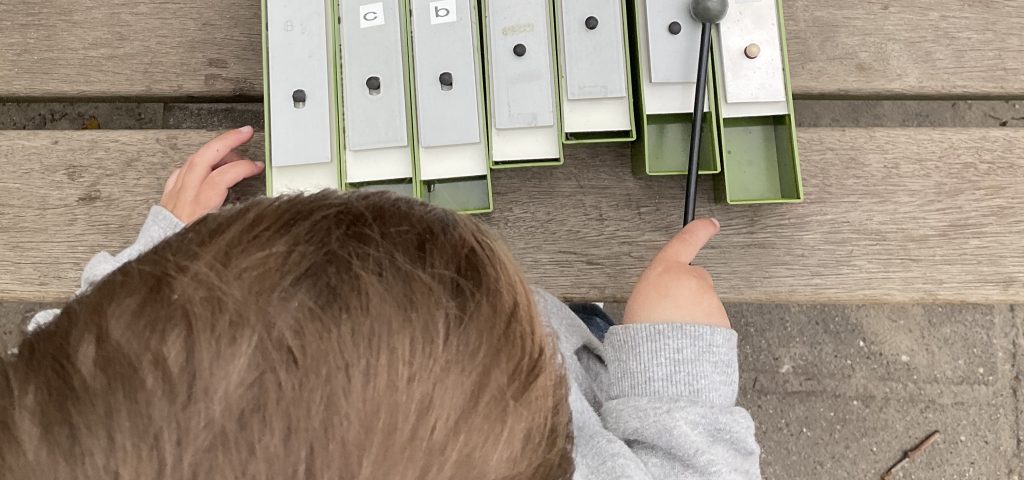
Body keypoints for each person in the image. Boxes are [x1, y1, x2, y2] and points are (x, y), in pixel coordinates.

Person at [0, 126, 760, 479]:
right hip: (592, 391)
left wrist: (159, 265)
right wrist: (674, 367)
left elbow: (71, 377)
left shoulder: (62, 441)